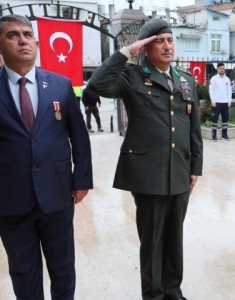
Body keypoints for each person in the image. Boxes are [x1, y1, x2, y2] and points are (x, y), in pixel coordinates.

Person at [0, 14, 93, 299]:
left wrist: (82, 179)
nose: (22, 40)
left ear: (36, 42)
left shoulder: (60, 84)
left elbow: (79, 137)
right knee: (23, 268)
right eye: (13, 35)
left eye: (27, 35)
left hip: (56, 194)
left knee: (63, 266)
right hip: (8, 197)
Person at [86, 18, 203, 300]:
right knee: (152, 241)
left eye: (170, 40)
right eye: (158, 41)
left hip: (179, 170)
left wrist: (195, 167)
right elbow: (98, 84)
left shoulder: (186, 80)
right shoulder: (131, 76)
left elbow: (194, 129)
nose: (166, 46)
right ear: (146, 47)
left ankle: (173, 291)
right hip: (147, 173)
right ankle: (154, 295)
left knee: (175, 238)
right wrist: (128, 51)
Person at [209, 62, 232, 141]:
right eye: (220, 69)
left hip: (225, 102)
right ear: (217, 69)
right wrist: (213, 100)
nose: (222, 70)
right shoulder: (214, 78)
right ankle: (214, 135)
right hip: (217, 102)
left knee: (225, 119)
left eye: (223, 68)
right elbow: (211, 90)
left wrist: (229, 100)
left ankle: (224, 135)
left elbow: (229, 90)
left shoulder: (227, 79)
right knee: (214, 119)